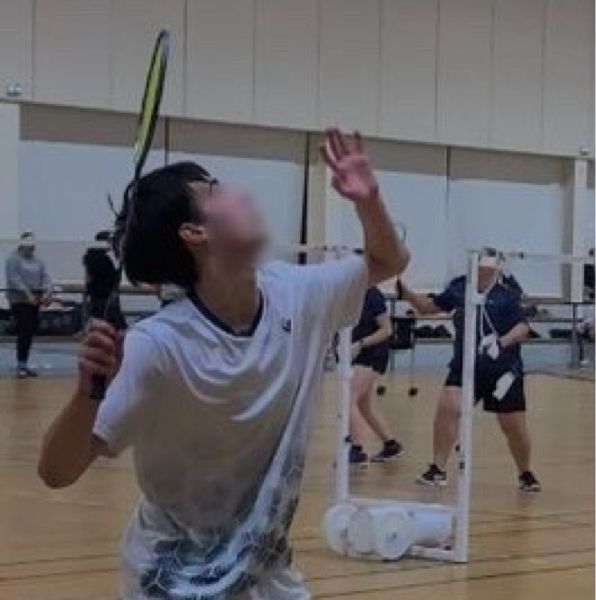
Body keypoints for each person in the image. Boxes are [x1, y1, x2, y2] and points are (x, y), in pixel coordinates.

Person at [38, 128, 410, 600]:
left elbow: (389, 261)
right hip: (171, 582)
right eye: (214, 190)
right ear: (195, 233)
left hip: (264, 574)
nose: (240, 194)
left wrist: (368, 201)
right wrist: (86, 395)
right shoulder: (160, 347)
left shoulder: (298, 294)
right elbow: (58, 471)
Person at [399, 247, 541, 492]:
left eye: (487, 268)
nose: (482, 271)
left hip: (503, 370)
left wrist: (501, 343)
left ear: (495, 269)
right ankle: (438, 469)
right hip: (465, 366)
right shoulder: (459, 287)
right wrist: (407, 293)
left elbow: (523, 328)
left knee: (513, 427)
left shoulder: (507, 294)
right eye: (479, 267)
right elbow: (429, 307)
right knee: (448, 407)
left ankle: (525, 472)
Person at [349, 285, 403, 465]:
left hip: (373, 354)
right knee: (365, 406)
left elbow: (387, 330)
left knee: (349, 398)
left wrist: (361, 344)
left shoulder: (372, 294)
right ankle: (391, 444)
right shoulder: (349, 293)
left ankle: (357, 450)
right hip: (358, 355)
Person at [5, 232, 52, 378]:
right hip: (19, 301)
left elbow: (45, 277)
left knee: (30, 331)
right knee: (23, 331)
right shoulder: (13, 259)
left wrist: (47, 292)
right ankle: (21, 365)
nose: (32, 248)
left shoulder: (38, 261)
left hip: (35, 300)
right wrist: (27, 294)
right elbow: (15, 280)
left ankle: (24, 363)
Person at [82, 231, 125, 327]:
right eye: (109, 241)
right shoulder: (103, 259)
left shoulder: (90, 257)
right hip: (104, 297)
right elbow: (112, 278)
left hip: (95, 297)